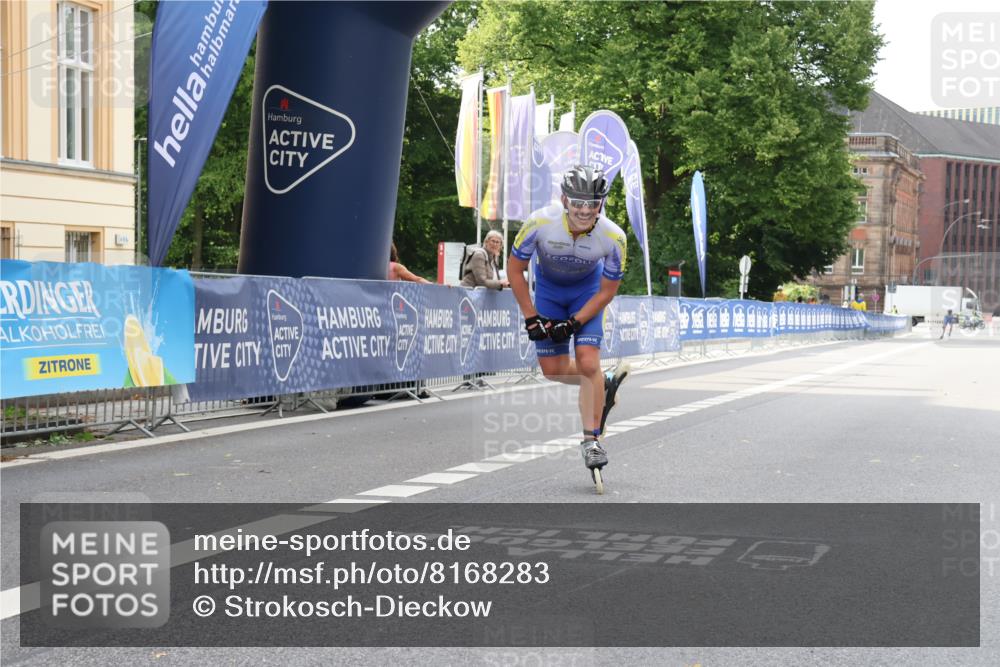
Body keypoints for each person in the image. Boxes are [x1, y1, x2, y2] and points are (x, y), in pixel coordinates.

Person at [507, 165, 630, 481]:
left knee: (588, 362)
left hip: (585, 296)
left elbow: (607, 291)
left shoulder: (614, 237)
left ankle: (592, 440)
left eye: (593, 202)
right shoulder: (539, 222)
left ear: (601, 203)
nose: (585, 210)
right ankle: (604, 383)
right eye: (578, 202)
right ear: (564, 199)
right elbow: (514, 270)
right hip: (549, 294)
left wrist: (574, 322)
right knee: (553, 370)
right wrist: (531, 316)